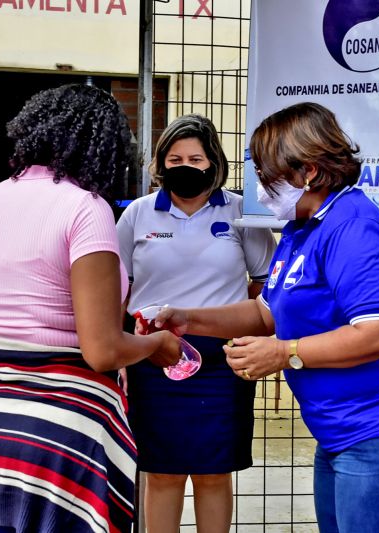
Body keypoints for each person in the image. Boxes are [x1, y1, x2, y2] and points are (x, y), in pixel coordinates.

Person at [143, 102, 379, 533]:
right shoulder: (301, 228)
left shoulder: (353, 227)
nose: (259, 186)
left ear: (308, 171)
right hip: (341, 434)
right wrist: (187, 319)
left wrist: (284, 353)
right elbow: (264, 312)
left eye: (267, 174)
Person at [0, 84, 181, 533]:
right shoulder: (86, 209)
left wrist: (17, 366)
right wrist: (155, 344)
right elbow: (102, 351)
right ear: (104, 147)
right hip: (62, 431)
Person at [116, 114, 277, 532]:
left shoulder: (242, 212)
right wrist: (124, 346)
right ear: (160, 164)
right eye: (174, 158)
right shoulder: (138, 214)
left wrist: (241, 329)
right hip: (154, 358)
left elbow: (265, 285)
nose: (185, 165)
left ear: (214, 163)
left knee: (213, 471)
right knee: (162, 469)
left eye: (196, 158)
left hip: (223, 360)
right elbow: (114, 285)